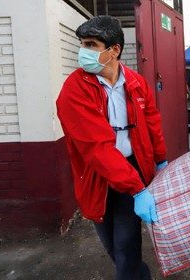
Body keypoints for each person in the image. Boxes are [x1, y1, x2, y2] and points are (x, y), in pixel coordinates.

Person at [56, 16, 167, 280]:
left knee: (126, 244)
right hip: (98, 175)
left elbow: (152, 122)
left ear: (114, 50)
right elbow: (96, 148)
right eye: (82, 44)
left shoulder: (136, 82)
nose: (83, 52)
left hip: (132, 169)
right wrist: (138, 188)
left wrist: (161, 160)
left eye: (91, 45)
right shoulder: (75, 89)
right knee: (111, 244)